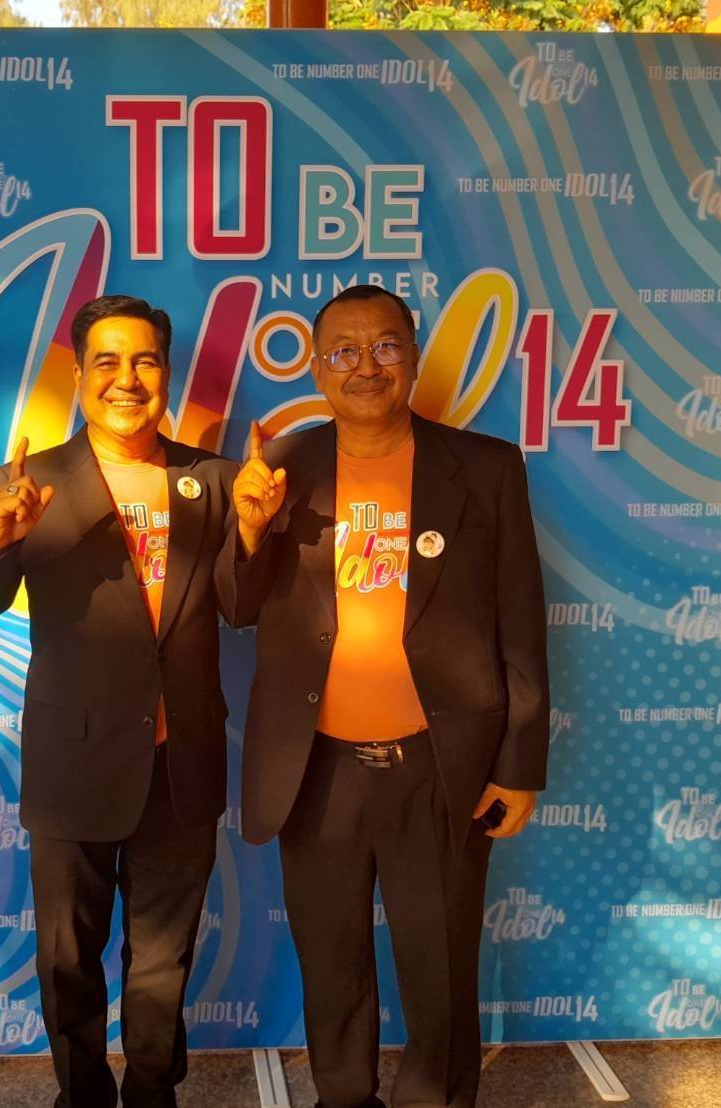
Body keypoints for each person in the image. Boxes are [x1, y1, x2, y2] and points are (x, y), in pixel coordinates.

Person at [218, 285, 549, 1108]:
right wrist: (250, 530)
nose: (365, 366)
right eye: (343, 351)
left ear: (412, 355)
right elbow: (236, 605)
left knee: (440, 971)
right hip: (315, 769)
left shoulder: (484, 468)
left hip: (440, 766)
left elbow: (520, 621)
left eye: (385, 346)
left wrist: (519, 765)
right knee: (330, 967)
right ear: (317, 367)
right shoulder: (281, 465)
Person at [0, 295, 236, 1108]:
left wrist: (257, 533)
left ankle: (152, 1091)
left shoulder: (213, 480)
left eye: (144, 361)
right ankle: (82, 1095)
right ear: (79, 375)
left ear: (165, 373)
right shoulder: (33, 483)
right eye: (106, 361)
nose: (126, 378)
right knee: (68, 959)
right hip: (74, 765)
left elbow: (244, 605)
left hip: (181, 763)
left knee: (163, 962)